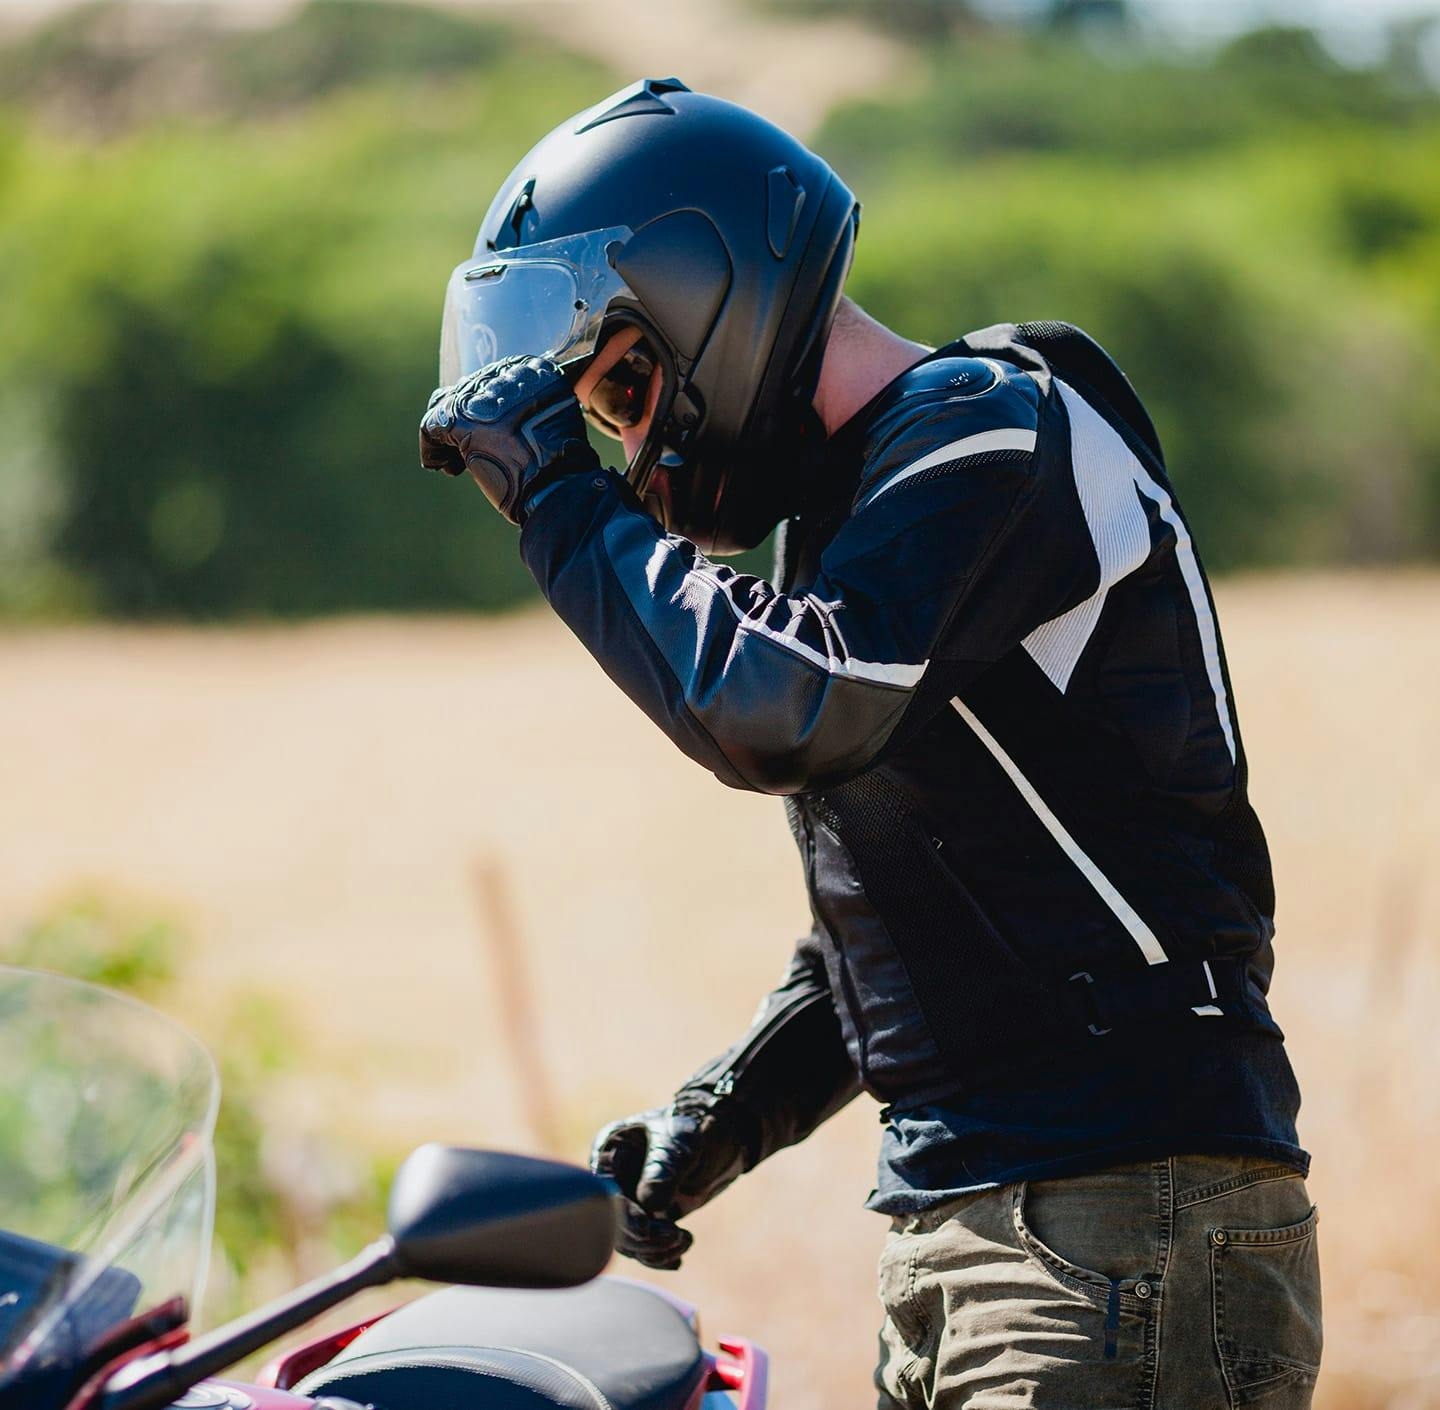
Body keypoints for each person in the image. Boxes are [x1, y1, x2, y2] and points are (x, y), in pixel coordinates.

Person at [419, 78, 1321, 1410]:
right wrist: (720, 1114)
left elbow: (782, 708)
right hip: (992, 1223)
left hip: (1124, 1217)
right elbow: (946, 902)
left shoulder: (987, 425)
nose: (625, 443)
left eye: (622, 388)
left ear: (707, 307)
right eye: (600, 418)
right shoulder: (870, 517)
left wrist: (556, 499)